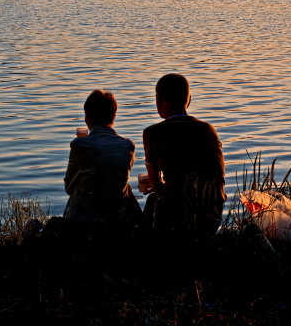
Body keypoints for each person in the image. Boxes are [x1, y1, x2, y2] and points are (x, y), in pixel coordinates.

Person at [140, 74, 226, 237]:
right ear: (189, 100)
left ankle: (148, 249)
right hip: (213, 214)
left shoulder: (153, 133)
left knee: (152, 201)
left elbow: (156, 186)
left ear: (159, 102)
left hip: (180, 217)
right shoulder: (208, 129)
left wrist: (159, 184)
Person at [63, 89, 141, 229]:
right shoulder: (128, 146)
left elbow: (69, 188)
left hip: (84, 220)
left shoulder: (80, 145)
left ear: (88, 117)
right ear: (114, 116)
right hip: (117, 217)